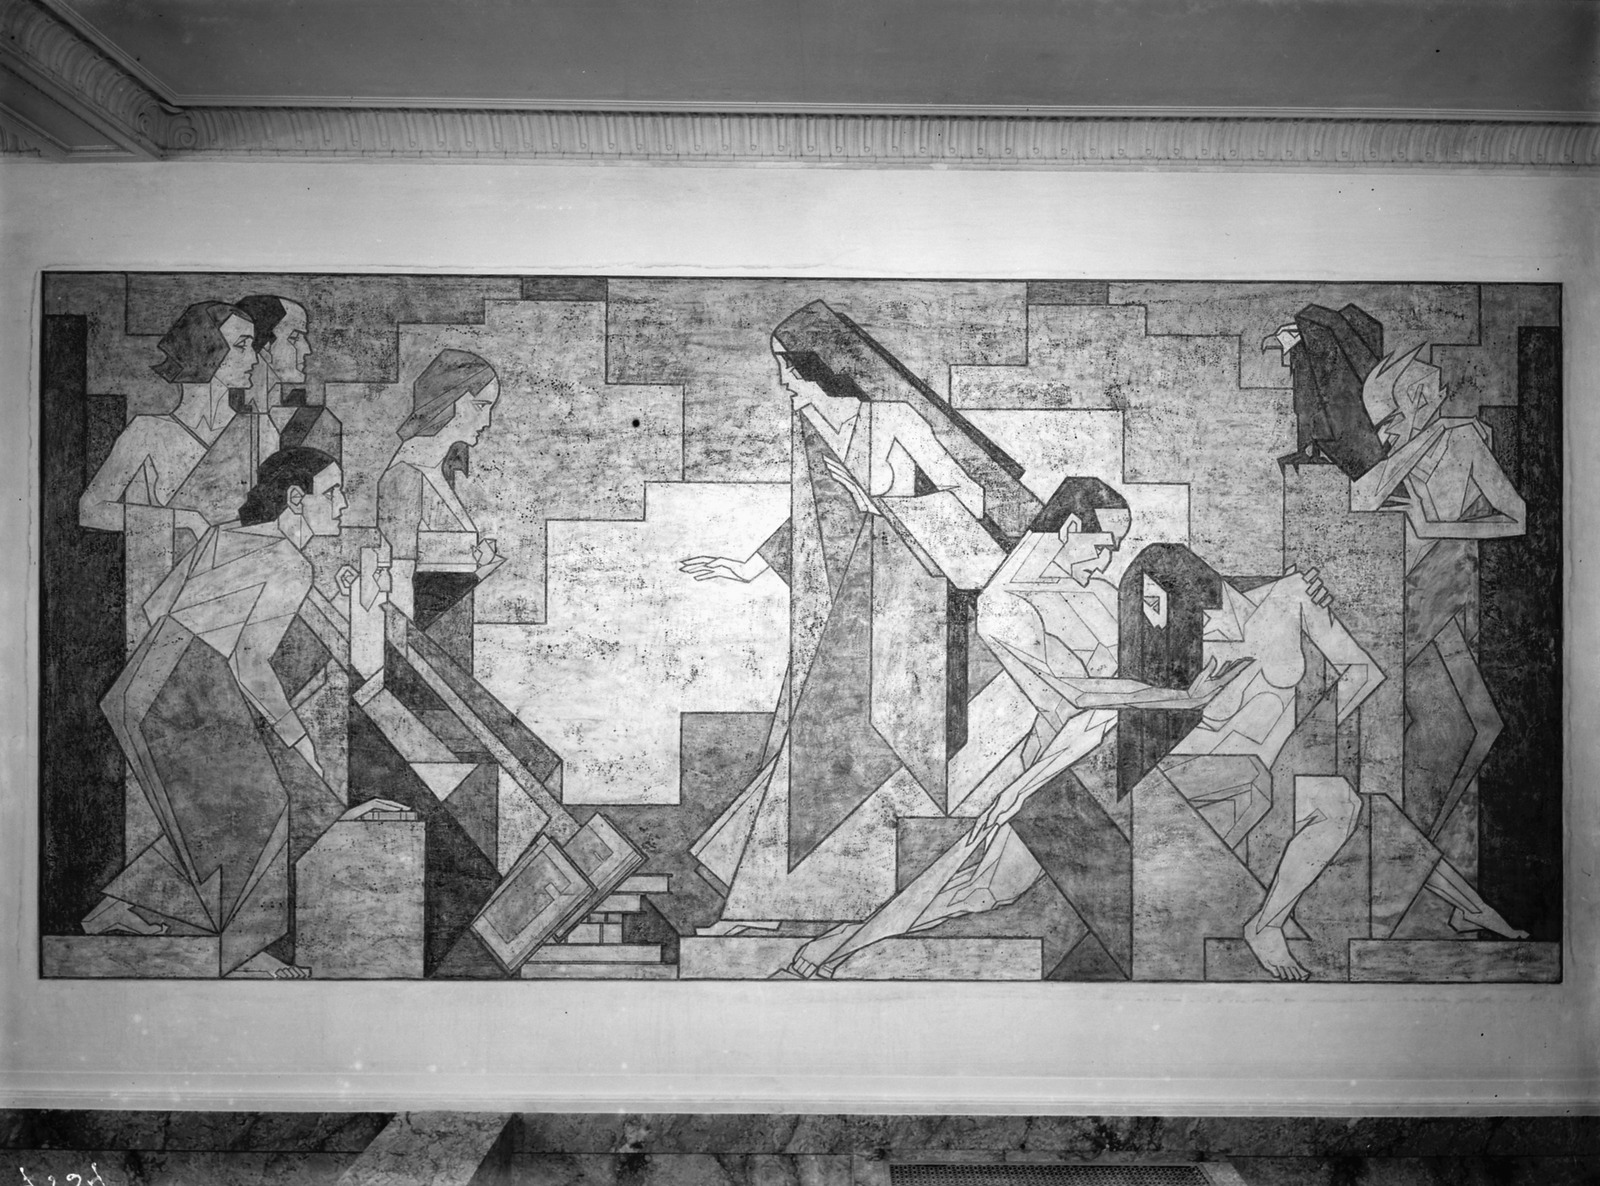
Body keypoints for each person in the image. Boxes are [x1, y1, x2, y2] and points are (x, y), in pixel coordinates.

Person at [779, 480, 1257, 979]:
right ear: (1071, 527)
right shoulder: (1006, 605)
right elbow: (1075, 695)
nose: (1107, 560)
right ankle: (831, 951)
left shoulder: (1088, 589)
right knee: (975, 881)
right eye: (1103, 545)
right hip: (1054, 765)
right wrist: (1181, 699)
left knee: (985, 889)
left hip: (1094, 752)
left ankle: (832, 947)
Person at [679, 301, 1040, 930]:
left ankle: (789, 905)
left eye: (789, 368)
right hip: (848, 606)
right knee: (814, 748)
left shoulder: (891, 418)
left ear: (820, 365)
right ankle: (771, 902)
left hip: (906, 602)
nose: (783, 382)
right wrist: (748, 567)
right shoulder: (814, 426)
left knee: (849, 753)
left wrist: (885, 501)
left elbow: (969, 493)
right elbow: (813, 518)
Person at [88, 447, 360, 976]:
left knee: (210, 815)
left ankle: (115, 910)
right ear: (296, 499)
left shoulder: (222, 533)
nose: (344, 504)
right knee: (266, 809)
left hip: (139, 686)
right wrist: (297, 735)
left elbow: (154, 608)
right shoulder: (290, 562)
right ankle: (248, 958)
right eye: (333, 493)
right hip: (188, 688)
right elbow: (250, 659)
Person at [78, 300, 259, 541]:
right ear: (205, 348)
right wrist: (185, 520)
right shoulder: (147, 431)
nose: (254, 359)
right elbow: (90, 509)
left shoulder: (255, 430)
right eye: (242, 346)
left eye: (252, 346)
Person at [375, 349, 503, 653]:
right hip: (423, 646)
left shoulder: (433, 471)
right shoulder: (405, 475)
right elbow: (400, 580)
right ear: (452, 401)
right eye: (481, 406)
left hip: (446, 639)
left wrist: (476, 561)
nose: (486, 420)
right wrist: (408, 656)